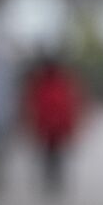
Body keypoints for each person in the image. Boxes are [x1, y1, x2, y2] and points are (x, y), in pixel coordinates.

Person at [23, 56, 82, 197]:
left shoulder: (53, 84)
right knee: (51, 156)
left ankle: (53, 182)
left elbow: (70, 107)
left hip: (55, 129)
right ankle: (52, 182)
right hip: (51, 129)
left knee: (53, 156)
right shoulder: (50, 85)